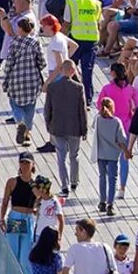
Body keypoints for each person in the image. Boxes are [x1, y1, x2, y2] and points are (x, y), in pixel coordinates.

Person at [44, 58, 88, 197]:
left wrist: (48, 125)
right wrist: (84, 128)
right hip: (75, 128)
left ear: (61, 70)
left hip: (57, 127)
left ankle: (65, 186)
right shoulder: (78, 87)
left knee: (61, 156)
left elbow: (47, 110)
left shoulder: (52, 87)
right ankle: (74, 181)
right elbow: (82, 110)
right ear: (73, 71)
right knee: (74, 155)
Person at [1, 17, 46, 146]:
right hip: (32, 80)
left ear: (20, 29)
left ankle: (19, 122)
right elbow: (42, 62)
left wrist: (6, 77)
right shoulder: (35, 43)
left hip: (16, 79)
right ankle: (27, 134)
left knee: (15, 104)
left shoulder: (15, 43)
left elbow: (9, 62)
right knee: (30, 106)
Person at [0, 153, 43, 274]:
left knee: (26, 257)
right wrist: (1, 218)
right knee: (13, 254)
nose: (24, 165)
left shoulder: (35, 184)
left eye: (27, 163)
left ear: (33, 165)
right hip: (16, 217)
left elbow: (40, 200)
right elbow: (5, 201)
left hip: (28, 218)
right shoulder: (13, 182)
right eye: (22, 162)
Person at [61, 0, 104, 99]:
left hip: (76, 39)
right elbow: (99, 22)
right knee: (87, 70)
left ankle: (73, 94)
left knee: (70, 68)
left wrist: (62, 41)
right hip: (91, 40)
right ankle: (88, 98)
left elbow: (66, 23)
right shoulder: (96, 3)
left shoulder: (71, 2)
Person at [94, 96, 128, 216]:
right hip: (113, 154)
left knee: (102, 177)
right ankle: (110, 204)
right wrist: (126, 151)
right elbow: (121, 139)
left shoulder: (97, 119)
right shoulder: (116, 122)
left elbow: (93, 129)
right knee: (112, 179)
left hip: (100, 153)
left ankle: (102, 202)